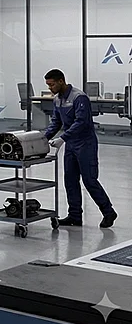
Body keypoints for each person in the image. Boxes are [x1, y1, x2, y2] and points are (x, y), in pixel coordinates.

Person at [41, 69, 117, 229]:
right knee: (70, 180)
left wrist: (63, 138)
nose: (50, 88)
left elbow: (82, 122)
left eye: (52, 84)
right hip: (71, 144)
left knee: (89, 180)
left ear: (61, 81)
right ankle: (75, 216)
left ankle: (108, 212)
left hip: (85, 144)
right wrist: (42, 139)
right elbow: (56, 122)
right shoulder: (57, 99)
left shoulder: (79, 97)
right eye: (48, 85)